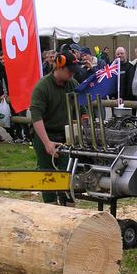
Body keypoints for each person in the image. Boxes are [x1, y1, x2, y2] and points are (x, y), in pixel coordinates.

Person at [29, 51, 79, 205]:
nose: (72, 73)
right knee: (47, 174)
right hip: (45, 133)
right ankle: (51, 207)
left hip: (66, 135)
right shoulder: (42, 87)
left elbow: (81, 107)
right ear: (59, 66)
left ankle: (69, 206)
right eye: (69, 70)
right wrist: (46, 142)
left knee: (67, 172)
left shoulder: (73, 84)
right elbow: (36, 117)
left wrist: (83, 121)